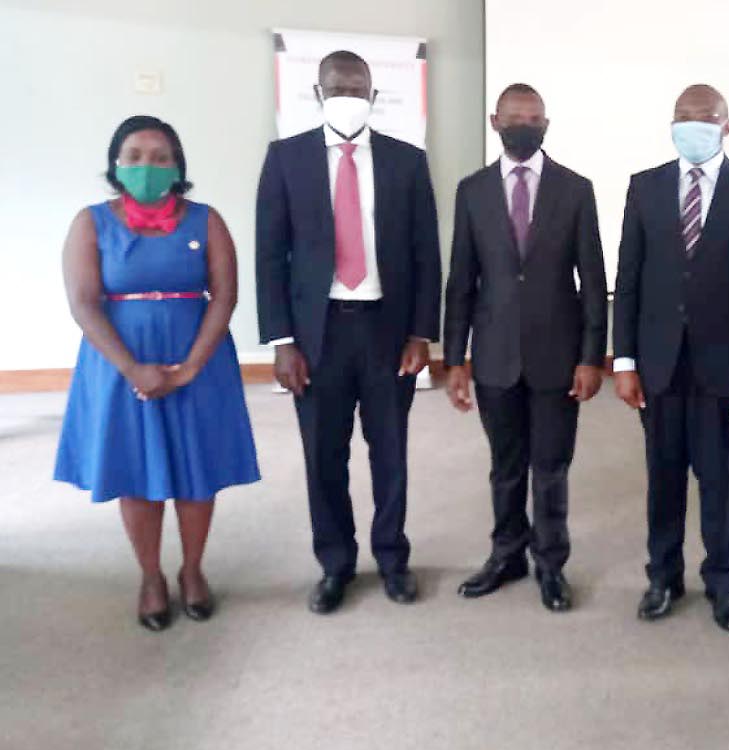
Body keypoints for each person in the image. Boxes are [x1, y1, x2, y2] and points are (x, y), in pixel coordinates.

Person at [55, 115, 260, 632]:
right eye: (136, 156)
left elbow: (225, 295)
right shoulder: (90, 222)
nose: (148, 166)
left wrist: (191, 366)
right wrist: (132, 368)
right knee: (137, 474)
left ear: (178, 167)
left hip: (199, 361)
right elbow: (83, 303)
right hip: (120, 364)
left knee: (197, 474)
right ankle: (150, 576)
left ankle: (192, 570)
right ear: (116, 164)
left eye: (161, 157)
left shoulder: (206, 220)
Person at [256, 51, 441, 614]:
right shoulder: (286, 159)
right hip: (319, 336)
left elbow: (426, 254)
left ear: (373, 97)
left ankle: (392, 558)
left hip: (386, 331)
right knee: (323, 456)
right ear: (317, 93)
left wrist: (420, 333)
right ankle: (335, 563)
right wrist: (282, 340)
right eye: (337, 86)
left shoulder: (407, 162)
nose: (348, 95)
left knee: (390, 452)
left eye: (357, 87)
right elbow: (270, 255)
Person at [612, 84, 729, 633]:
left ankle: (722, 583)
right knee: (662, 479)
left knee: (718, 481)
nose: (693, 125)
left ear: (727, 126)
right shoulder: (645, 187)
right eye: (682, 116)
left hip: (722, 368)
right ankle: (662, 578)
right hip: (659, 364)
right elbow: (629, 281)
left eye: (705, 117)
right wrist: (625, 361)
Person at [443, 84, 607, 612]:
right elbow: (461, 281)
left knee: (551, 466)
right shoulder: (472, 191)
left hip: (558, 357)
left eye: (534, 117)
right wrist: (454, 360)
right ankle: (506, 554)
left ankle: (551, 564)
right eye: (515, 117)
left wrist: (590, 357)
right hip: (492, 356)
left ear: (546, 124)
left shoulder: (576, 189)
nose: (525, 124)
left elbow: (593, 278)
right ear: (496, 121)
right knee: (506, 465)